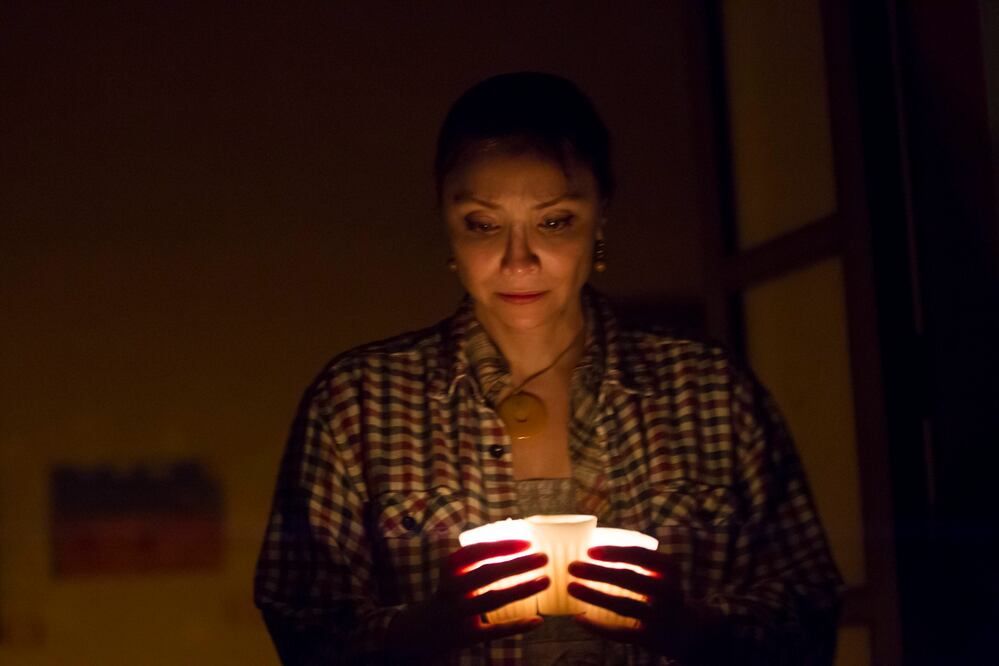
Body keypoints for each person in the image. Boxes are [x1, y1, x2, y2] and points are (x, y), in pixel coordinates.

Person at [254, 72, 843, 665]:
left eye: (555, 221)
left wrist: (694, 629)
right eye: (483, 224)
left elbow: (807, 615)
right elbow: (304, 625)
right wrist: (425, 628)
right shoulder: (360, 404)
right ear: (446, 222)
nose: (519, 261)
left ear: (601, 215)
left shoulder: (708, 393)